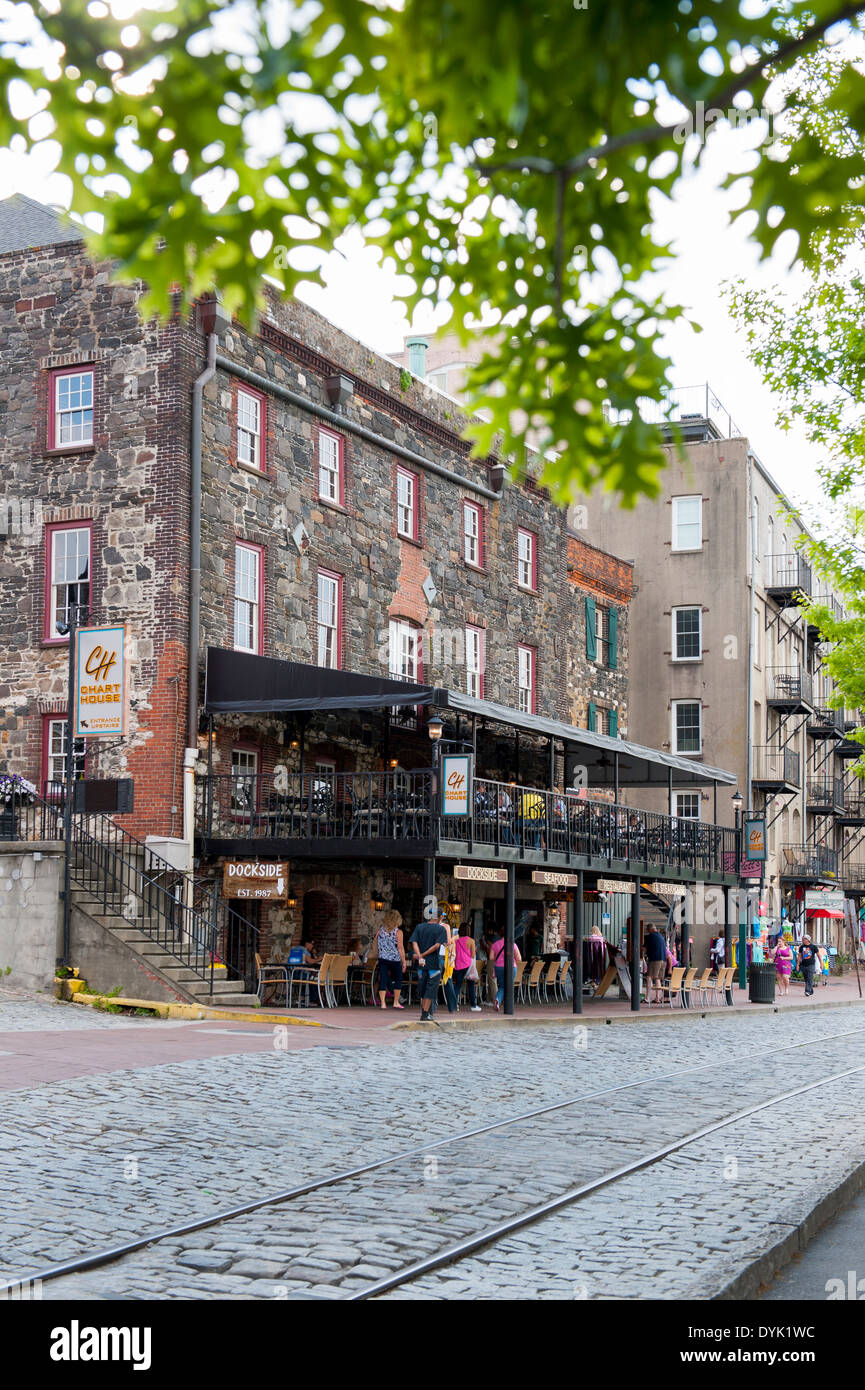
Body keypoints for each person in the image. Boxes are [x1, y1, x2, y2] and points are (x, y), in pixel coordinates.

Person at [409, 913, 449, 1022]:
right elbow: (437, 945)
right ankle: (425, 1013)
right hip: (433, 963)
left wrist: (420, 955)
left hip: (421, 964)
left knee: (423, 987)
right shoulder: (441, 929)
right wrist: (424, 954)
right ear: (440, 917)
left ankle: (424, 1011)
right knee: (430, 989)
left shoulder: (419, 927)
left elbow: (414, 942)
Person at [375, 909, 406, 1010]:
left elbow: (375, 942)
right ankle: (396, 1002)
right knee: (398, 980)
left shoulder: (380, 930)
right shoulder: (398, 932)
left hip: (382, 958)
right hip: (395, 959)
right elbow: (400, 948)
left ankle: (383, 1003)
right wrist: (404, 961)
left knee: (383, 979)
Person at [490, 931, 522, 1012]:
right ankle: (507, 1005)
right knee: (508, 986)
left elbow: (491, 958)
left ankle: (498, 1000)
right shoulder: (513, 945)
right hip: (511, 967)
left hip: (499, 967)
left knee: (502, 986)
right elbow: (519, 958)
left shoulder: (495, 944)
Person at [452, 925, 482, 1012]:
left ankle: (453, 1004)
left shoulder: (456, 940)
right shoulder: (471, 941)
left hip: (457, 965)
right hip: (467, 965)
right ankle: (473, 1005)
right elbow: (473, 955)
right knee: (471, 985)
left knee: (457, 985)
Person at [644, 924, 667, 1004]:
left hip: (655, 960)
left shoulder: (650, 936)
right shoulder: (661, 936)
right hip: (663, 960)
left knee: (649, 977)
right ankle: (657, 998)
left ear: (650, 930)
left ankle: (647, 998)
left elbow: (644, 948)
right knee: (657, 978)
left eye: (647, 930)